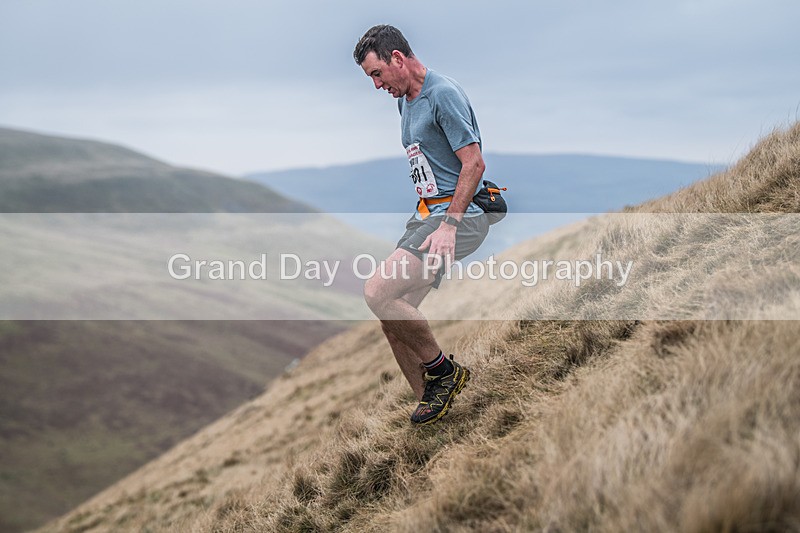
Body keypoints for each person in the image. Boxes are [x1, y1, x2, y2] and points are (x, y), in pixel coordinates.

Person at [353, 24, 491, 425]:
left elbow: (474, 163)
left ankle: (445, 374)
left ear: (397, 58)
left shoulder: (441, 94)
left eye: (377, 74)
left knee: (377, 291)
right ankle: (436, 412)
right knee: (394, 321)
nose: (377, 85)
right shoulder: (405, 100)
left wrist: (449, 225)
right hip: (427, 216)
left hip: (458, 219)